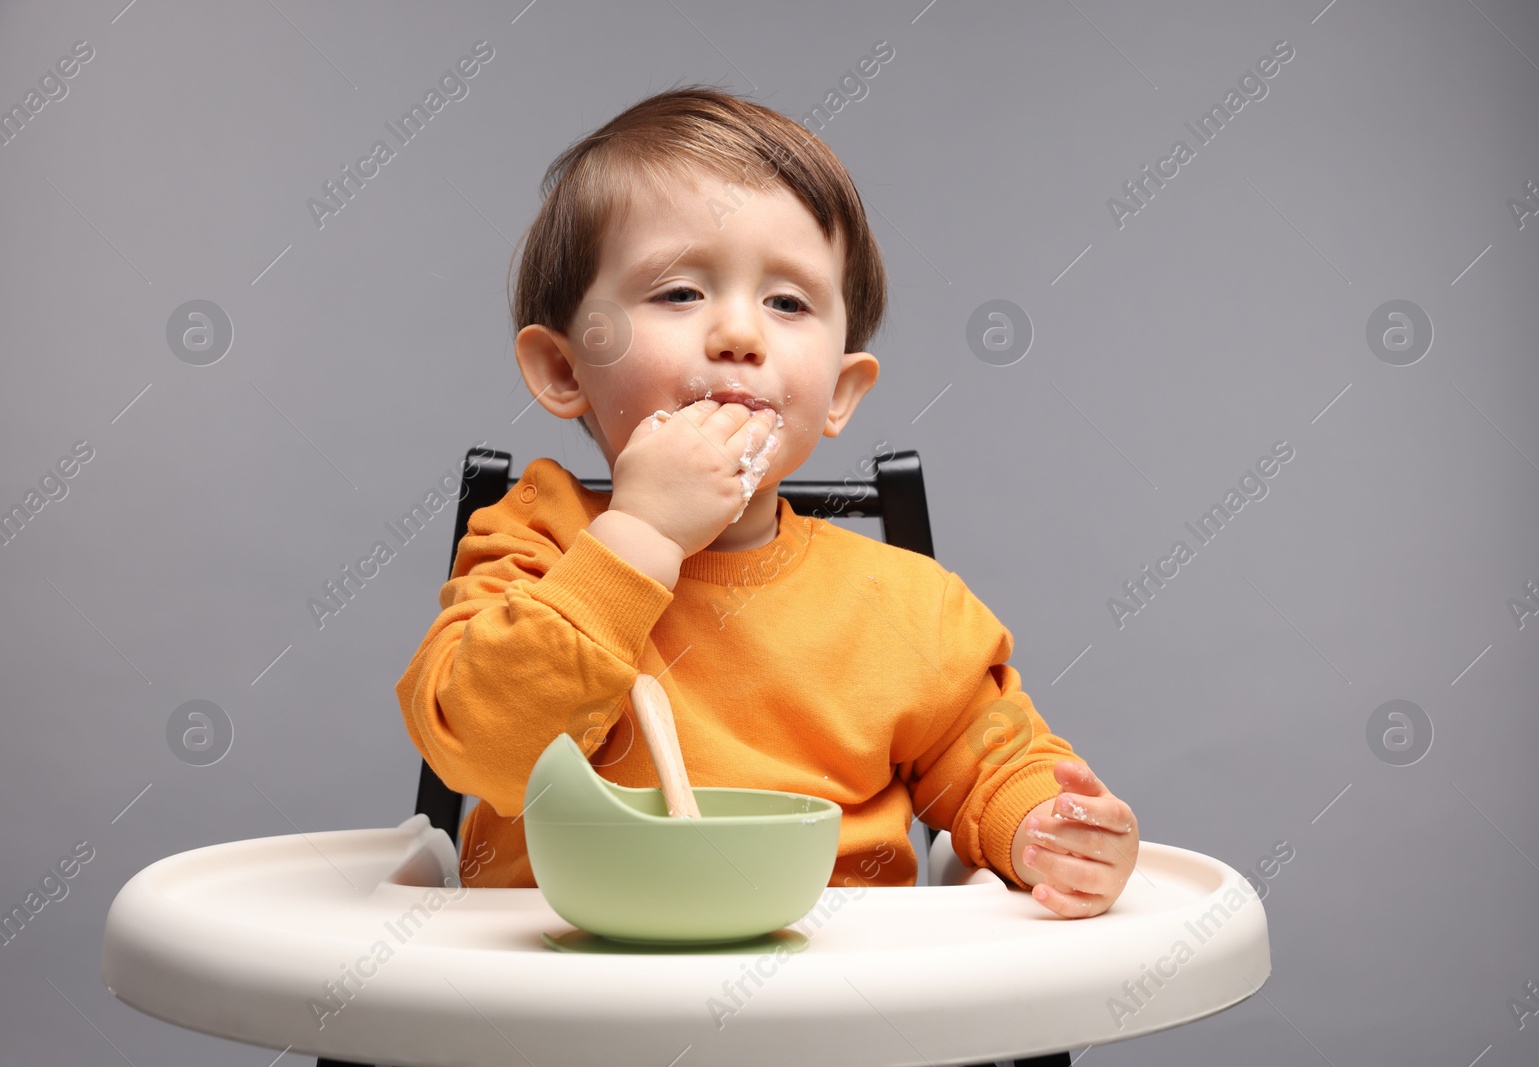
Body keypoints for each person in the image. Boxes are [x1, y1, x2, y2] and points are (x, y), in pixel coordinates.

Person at [395, 85, 1138, 918]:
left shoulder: (906, 606)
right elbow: (484, 746)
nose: (740, 334)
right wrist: (635, 537)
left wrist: (1044, 826)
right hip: (567, 994)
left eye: (788, 302)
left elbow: (994, 760)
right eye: (679, 293)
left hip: (831, 1001)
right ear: (566, 370)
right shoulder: (538, 540)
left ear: (839, 394)